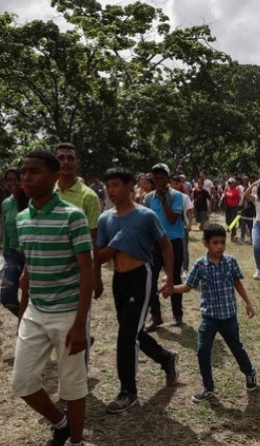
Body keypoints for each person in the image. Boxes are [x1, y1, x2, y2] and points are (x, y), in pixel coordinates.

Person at [11, 150, 93, 446]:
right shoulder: (21, 219)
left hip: (68, 313)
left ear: (55, 177)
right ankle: (61, 423)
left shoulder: (73, 216)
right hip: (36, 311)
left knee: (72, 385)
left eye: (34, 171)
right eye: (24, 172)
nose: (26, 177)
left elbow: (87, 270)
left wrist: (80, 323)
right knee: (22, 382)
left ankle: (76, 441)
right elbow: (29, 271)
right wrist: (23, 314)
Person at [96, 167, 179, 414]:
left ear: (130, 186)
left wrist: (170, 278)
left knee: (126, 335)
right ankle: (165, 358)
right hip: (118, 279)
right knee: (133, 331)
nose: (111, 190)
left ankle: (128, 391)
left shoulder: (145, 215)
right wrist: (114, 245)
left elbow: (165, 245)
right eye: (108, 186)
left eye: (116, 185)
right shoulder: (105, 219)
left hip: (141, 277)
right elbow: (99, 256)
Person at [172, 224, 258, 403]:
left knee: (236, 348)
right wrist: (171, 289)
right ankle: (208, 387)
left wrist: (248, 302)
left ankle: (249, 372)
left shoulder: (230, 262)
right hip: (209, 318)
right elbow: (188, 287)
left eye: (222, 242)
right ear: (206, 244)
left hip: (228, 317)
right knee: (203, 351)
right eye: (215, 243)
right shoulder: (200, 265)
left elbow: (237, 283)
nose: (219, 246)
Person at [54, 143, 103, 299]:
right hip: (49, 265)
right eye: (61, 158)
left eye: (70, 158)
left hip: (77, 268)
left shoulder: (89, 197)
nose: (66, 162)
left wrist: (96, 275)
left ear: (77, 163)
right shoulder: (47, 192)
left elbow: (94, 238)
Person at [143, 164, 185, 329]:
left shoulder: (177, 196)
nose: (159, 181)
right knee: (151, 279)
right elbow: (145, 221)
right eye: (156, 177)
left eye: (162, 177)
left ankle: (177, 315)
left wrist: (163, 200)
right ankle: (156, 316)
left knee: (173, 277)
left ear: (168, 178)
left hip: (173, 242)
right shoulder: (147, 198)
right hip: (155, 243)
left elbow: (173, 218)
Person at [0, 167, 29, 317]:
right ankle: (28, 322)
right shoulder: (6, 203)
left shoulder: (32, 200)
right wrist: (5, 253)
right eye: (9, 180)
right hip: (13, 254)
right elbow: (5, 230)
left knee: (34, 296)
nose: (13, 183)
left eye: (16, 179)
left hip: (32, 254)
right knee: (7, 297)